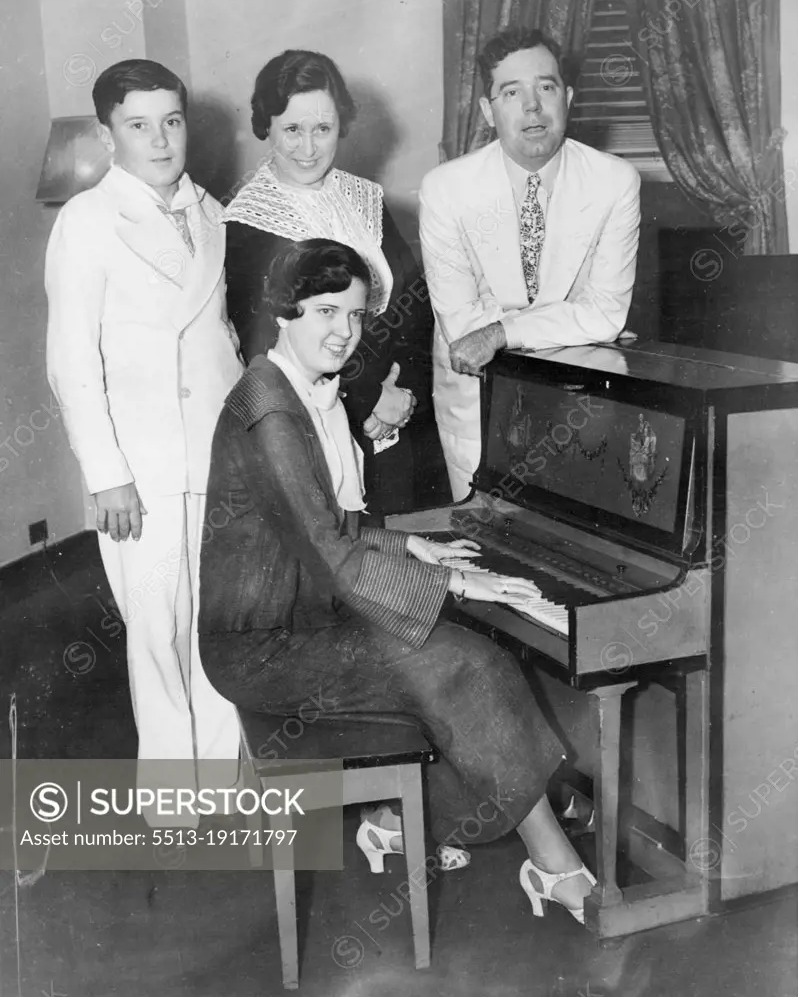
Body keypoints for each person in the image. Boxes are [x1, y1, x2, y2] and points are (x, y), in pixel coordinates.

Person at [198, 238, 597, 921]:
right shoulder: (269, 409)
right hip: (261, 645)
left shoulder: (300, 389)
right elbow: (332, 553)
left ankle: (398, 820)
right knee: (466, 664)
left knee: (457, 662)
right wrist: (463, 586)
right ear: (284, 312)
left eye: (355, 317)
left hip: (306, 614)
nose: (344, 334)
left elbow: (330, 529)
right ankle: (552, 862)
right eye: (326, 312)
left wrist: (413, 543)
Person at [45, 59, 244, 825]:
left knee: (219, 621)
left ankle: (221, 789)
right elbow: (72, 364)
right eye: (138, 124)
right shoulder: (87, 221)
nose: (159, 139)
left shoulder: (209, 210)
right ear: (107, 134)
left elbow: (219, 335)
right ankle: (173, 802)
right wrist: (107, 474)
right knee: (156, 630)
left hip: (218, 453)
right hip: (143, 466)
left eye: (171, 120)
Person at [223, 49, 450, 516]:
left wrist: (399, 392)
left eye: (322, 129)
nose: (308, 147)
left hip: (399, 412)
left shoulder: (363, 197)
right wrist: (368, 398)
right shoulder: (247, 223)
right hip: (318, 421)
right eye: (292, 129)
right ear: (266, 126)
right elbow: (264, 345)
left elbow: (412, 301)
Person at [419, 27, 641, 502]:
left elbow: (605, 313)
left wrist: (501, 333)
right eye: (511, 92)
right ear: (487, 110)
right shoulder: (446, 189)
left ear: (568, 97)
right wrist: (573, 325)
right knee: (490, 547)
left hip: (579, 408)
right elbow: (462, 330)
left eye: (546, 87)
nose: (533, 106)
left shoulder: (615, 182)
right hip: (478, 408)